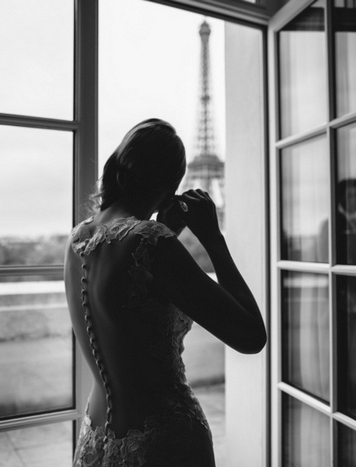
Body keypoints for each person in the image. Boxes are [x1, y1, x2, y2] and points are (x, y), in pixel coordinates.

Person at [64, 119, 267, 466]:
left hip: (96, 437)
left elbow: (128, 305)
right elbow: (250, 336)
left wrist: (164, 230)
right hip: (162, 442)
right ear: (171, 187)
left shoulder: (78, 237)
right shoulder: (150, 241)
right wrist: (214, 241)